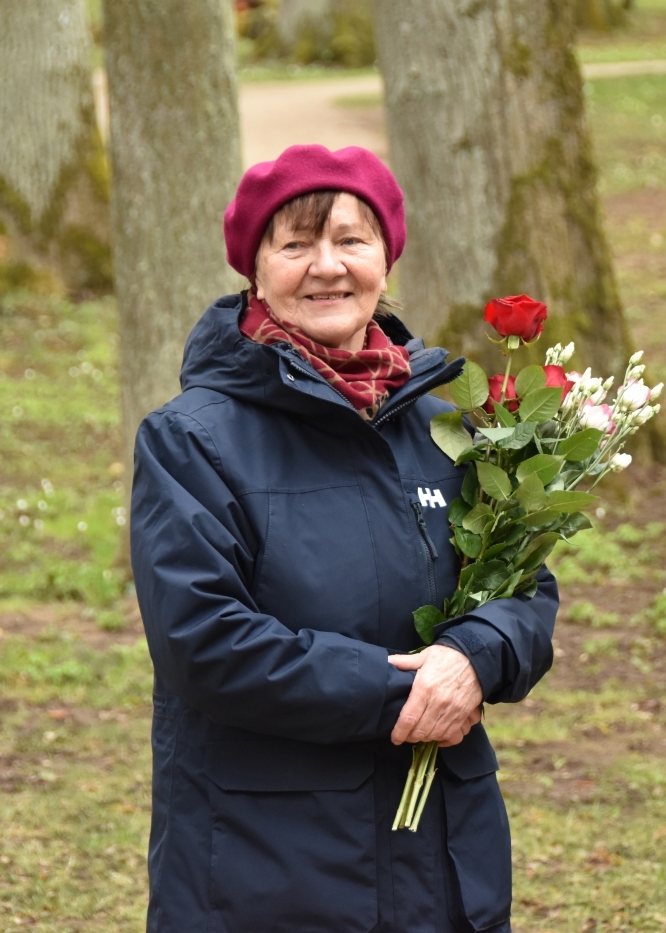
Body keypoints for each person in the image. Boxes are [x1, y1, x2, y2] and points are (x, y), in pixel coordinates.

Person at [129, 144, 558, 933]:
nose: (327, 266)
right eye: (296, 244)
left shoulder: (450, 425)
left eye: (352, 241)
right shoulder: (192, 440)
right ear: (254, 272)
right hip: (264, 869)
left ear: (386, 263)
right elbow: (204, 642)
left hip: (441, 861)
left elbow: (523, 585)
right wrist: (408, 693)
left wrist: (475, 657)